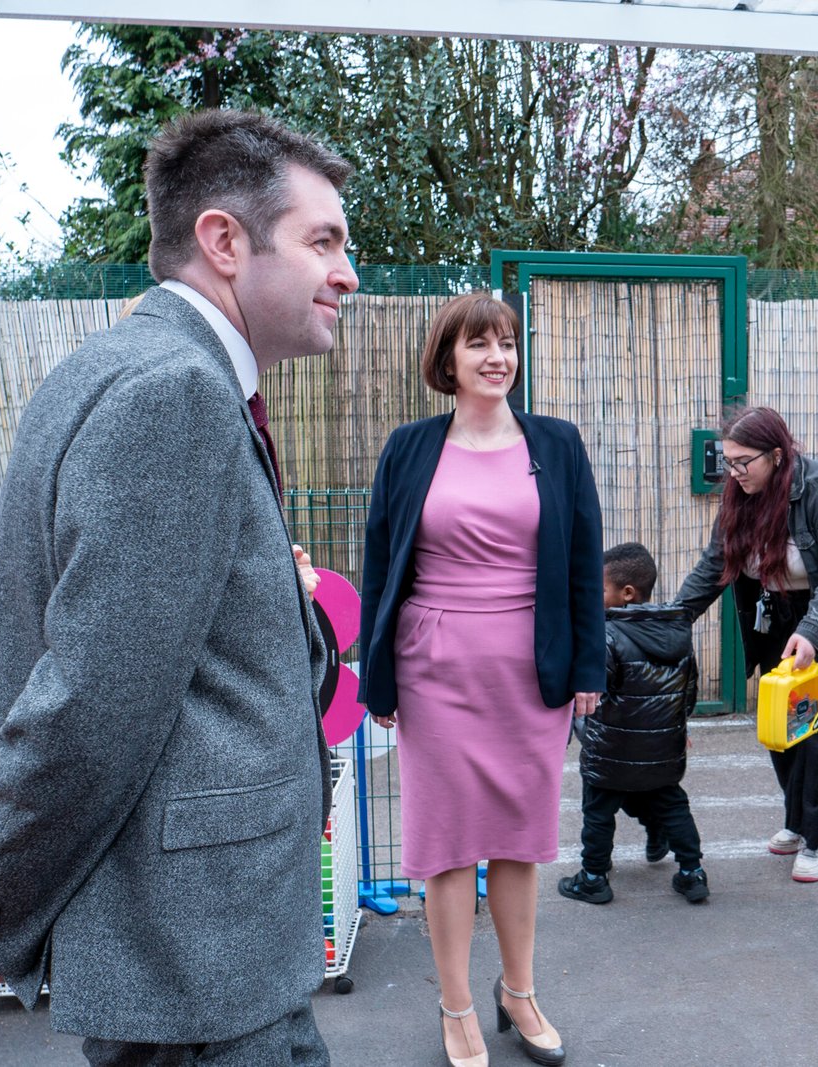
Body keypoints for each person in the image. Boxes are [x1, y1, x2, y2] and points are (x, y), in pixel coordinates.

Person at [0, 110, 359, 1064]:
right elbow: (87, 704)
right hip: (200, 967)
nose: (347, 271)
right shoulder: (178, 395)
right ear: (224, 242)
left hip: (204, 962)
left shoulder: (125, 366)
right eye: (322, 240)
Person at [357, 292, 603, 1067]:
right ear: (448, 360)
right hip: (435, 669)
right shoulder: (409, 447)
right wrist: (379, 679)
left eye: (506, 342)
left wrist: (589, 666)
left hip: (533, 671)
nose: (497, 356)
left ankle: (519, 991)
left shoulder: (557, 445)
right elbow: (378, 564)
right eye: (478, 344)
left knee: (521, 841)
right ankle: (457, 1003)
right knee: (449, 846)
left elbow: (583, 565)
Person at [678, 407, 818, 883]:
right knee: (783, 727)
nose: (732, 472)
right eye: (727, 462)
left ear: (776, 455)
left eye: (741, 462)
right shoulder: (740, 494)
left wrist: (815, 634)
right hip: (781, 616)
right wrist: (673, 619)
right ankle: (800, 821)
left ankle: (817, 837)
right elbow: (716, 565)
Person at [558, 541, 709, 907]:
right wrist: (678, 727)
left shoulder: (605, 637)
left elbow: (591, 693)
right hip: (662, 748)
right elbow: (688, 692)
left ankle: (593, 877)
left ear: (626, 594)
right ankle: (692, 873)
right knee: (672, 803)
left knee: (598, 812)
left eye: (600, 588)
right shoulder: (678, 633)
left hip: (610, 751)